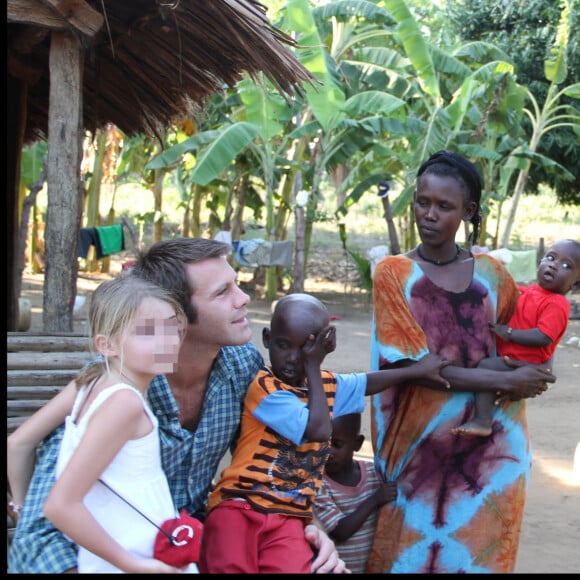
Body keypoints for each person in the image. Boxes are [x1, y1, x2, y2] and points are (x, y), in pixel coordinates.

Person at [7, 238, 346, 574]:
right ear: (175, 313)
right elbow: (40, 529)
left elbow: (268, 460)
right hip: (105, 555)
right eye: (222, 292)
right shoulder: (115, 382)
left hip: (186, 542)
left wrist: (310, 525)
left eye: (237, 285)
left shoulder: (242, 365)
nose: (244, 299)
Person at [366, 150, 557, 574]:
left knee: (479, 556)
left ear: (467, 212)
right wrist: (505, 380)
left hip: (493, 450)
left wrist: (531, 369)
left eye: (444, 206)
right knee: (407, 555)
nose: (428, 214)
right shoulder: (394, 273)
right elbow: (416, 367)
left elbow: (514, 344)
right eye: (422, 202)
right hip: (419, 448)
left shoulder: (492, 273)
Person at [198, 293, 450, 573]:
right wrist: (313, 365)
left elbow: (366, 382)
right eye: (283, 346)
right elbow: (318, 430)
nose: (293, 360)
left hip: (290, 517)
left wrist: (415, 372)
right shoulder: (267, 389)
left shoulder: (323, 385)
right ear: (267, 339)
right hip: (241, 507)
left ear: (323, 345)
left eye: (305, 350)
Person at [8, 275, 192, 573]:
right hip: (132, 555)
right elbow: (60, 505)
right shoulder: (125, 404)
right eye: (147, 333)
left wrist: (20, 507)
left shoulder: (90, 383)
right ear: (107, 345)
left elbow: (16, 443)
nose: (166, 341)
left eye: (171, 326)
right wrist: (133, 565)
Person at [455, 238, 580, 436]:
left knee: (486, 368)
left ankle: (482, 421)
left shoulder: (557, 303)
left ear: (576, 284)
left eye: (566, 265)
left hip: (524, 361)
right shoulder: (530, 291)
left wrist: (510, 334)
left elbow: (544, 336)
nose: (554, 265)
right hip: (512, 356)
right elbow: (507, 290)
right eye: (550, 258)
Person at [314, 412, 397, 574]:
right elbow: (340, 531)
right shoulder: (318, 484)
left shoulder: (373, 471)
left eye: (336, 444)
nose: (328, 452)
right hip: (341, 569)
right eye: (321, 445)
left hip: (376, 564)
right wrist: (375, 500)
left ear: (357, 443)